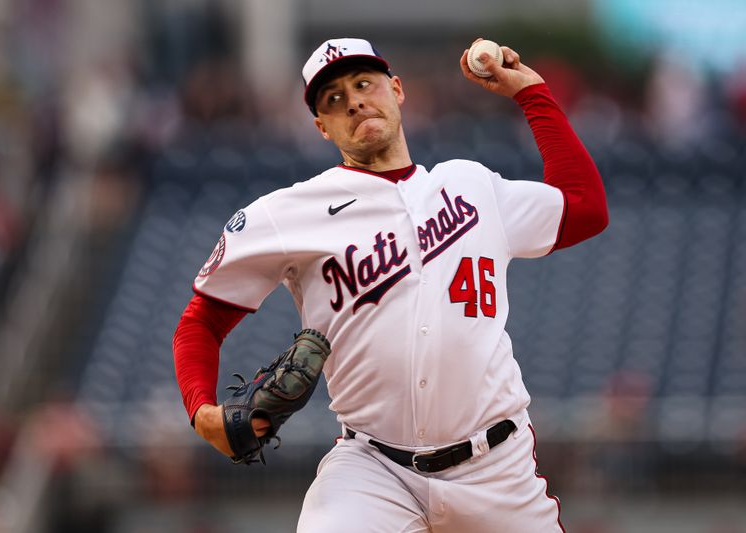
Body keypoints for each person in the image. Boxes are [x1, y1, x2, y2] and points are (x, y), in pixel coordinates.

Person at [173, 37, 608, 532]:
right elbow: (200, 322)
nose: (354, 100)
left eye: (364, 84)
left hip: (498, 467)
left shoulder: (470, 185)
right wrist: (201, 412)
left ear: (396, 90)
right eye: (334, 99)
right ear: (321, 126)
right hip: (373, 470)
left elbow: (586, 208)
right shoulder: (288, 213)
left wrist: (530, 91)